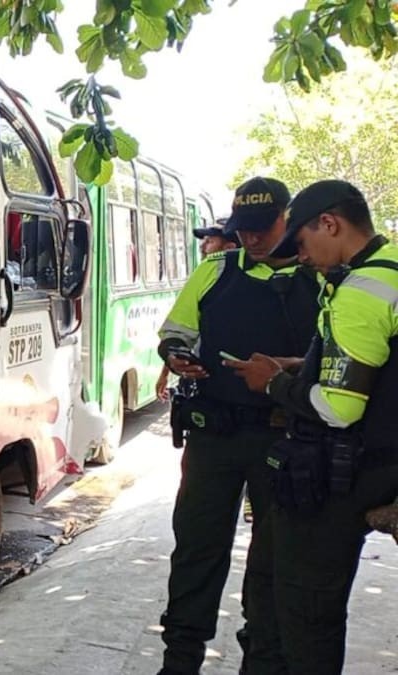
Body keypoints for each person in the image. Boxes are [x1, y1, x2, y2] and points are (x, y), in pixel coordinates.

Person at [227, 179, 398, 673]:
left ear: (331, 224)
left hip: (345, 473)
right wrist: (301, 365)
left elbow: (339, 408)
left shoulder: (361, 292)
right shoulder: (385, 272)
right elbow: (371, 366)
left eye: (300, 243)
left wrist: (272, 384)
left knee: (305, 618)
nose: (300, 257)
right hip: (380, 462)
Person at [154, 177, 321, 675]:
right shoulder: (216, 270)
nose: (250, 239)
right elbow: (175, 332)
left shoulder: (320, 278)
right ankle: (180, 659)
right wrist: (177, 356)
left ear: (287, 219)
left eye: (261, 228)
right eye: (242, 229)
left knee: (274, 564)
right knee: (196, 553)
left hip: (287, 440)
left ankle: (263, 659)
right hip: (214, 437)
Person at [155, 219, 240, 402]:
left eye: (210, 241)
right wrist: (170, 366)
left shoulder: (215, 271)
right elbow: (181, 335)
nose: (202, 247)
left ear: (230, 248)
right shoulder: (205, 274)